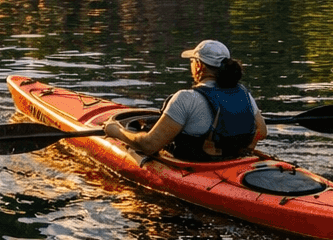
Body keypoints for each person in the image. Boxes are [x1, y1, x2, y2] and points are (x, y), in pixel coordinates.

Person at [103, 40, 266, 162]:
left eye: (192, 61)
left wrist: (116, 132)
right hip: (231, 163)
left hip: (196, 168)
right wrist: (243, 149)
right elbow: (262, 131)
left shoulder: (186, 98)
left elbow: (149, 146)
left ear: (199, 66)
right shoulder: (244, 94)